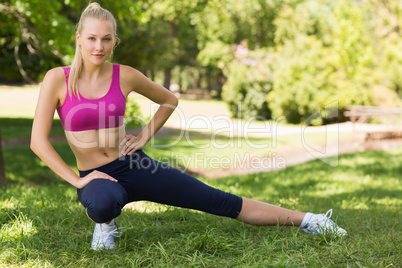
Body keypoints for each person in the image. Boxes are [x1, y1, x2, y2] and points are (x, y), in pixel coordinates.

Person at [30, 2, 346, 251]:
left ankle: (310, 220)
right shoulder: (57, 79)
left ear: (114, 40)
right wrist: (78, 180)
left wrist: (143, 137)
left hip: (134, 164)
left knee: (218, 200)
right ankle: (106, 224)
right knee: (101, 203)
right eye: (91, 38)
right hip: (96, 176)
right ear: (79, 39)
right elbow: (38, 141)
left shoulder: (124, 74)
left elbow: (169, 100)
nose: (98, 46)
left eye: (106, 38)